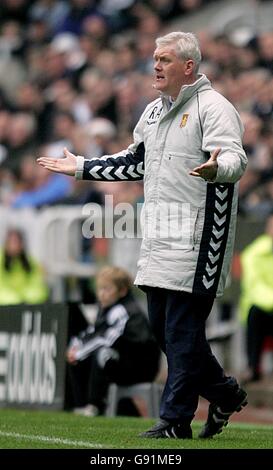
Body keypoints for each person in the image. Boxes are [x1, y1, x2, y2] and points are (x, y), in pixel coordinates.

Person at [38, 31, 248, 439]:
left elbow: (234, 159)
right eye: (154, 57)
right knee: (164, 334)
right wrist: (82, 166)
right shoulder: (152, 113)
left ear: (188, 67)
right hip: (158, 239)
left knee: (182, 334)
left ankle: (175, 422)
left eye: (165, 59)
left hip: (200, 238)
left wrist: (217, 169)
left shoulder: (215, 107)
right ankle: (224, 394)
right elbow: (134, 161)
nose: (155, 65)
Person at [66, 265, 160, 416]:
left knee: (102, 353)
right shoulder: (107, 307)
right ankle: (86, 404)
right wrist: (76, 346)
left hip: (141, 367)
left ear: (122, 291)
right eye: (100, 289)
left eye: (107, 289)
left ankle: (94, 405)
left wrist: (79, 353)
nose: (101, 294)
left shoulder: (123, 310)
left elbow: (105, 340)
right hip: (123, 361)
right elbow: (93, 331)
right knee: (85, 355)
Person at [240, 213, 273, 383]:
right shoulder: (254, 253)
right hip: (261, 311)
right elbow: (256, 288)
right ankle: (253, 367)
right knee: (256, 313)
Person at [0, 228, 49, 305]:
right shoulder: (1, 260)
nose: (14, 245)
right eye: (12, 242)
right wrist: (16, 300)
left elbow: (38, 286)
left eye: (17, 242)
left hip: (25, 304)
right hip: (6, 307)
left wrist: (26, 298)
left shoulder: (30, 261)